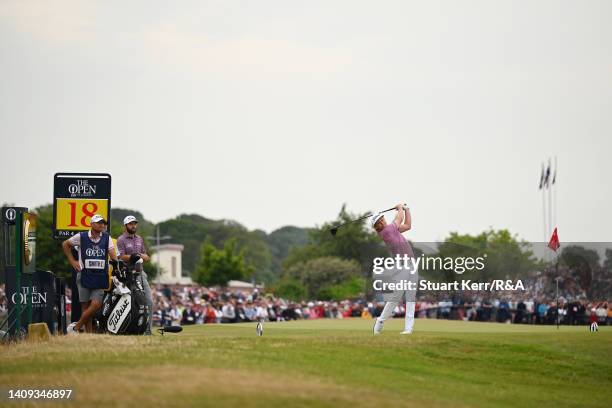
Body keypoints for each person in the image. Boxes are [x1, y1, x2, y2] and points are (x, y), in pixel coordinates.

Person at [62, 214, 118, 334]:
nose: (101, 225)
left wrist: (119, 263)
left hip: (100, 276)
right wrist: (73, 261)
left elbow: (113, 255)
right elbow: (65, 244)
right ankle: (88, 335)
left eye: (103, 223)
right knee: (85, 307)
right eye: (98, 222)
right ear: (91, 224)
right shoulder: (81, 236)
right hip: (84, 274)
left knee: (96, 305)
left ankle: (76, 327)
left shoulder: (107, 238)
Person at [372, 203, 417, 335]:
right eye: (380, 220)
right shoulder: (386, 231)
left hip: (412, 263)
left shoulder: (392, 229)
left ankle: (408, 329)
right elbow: (399, 219)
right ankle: (380, 320)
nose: (383, 220)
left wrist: (407, 209)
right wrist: (400, 208)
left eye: (382, 218)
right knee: (396, 296)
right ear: (378, 225)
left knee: (410, 296)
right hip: (401, 265)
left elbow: (408, 225)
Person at [116, 215, 153, 335]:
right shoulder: (121, 239)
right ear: (125, 225)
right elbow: (120, 256)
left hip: (140, 273)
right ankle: (128, 329)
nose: (133, 226)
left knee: (148, 301)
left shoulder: (139, 239)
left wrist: (140, 255)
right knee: (130, 303)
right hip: (126, 275)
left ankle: (147, 330)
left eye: (135, 223)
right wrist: (133, 256)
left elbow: (146, 256)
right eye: (131, 224)